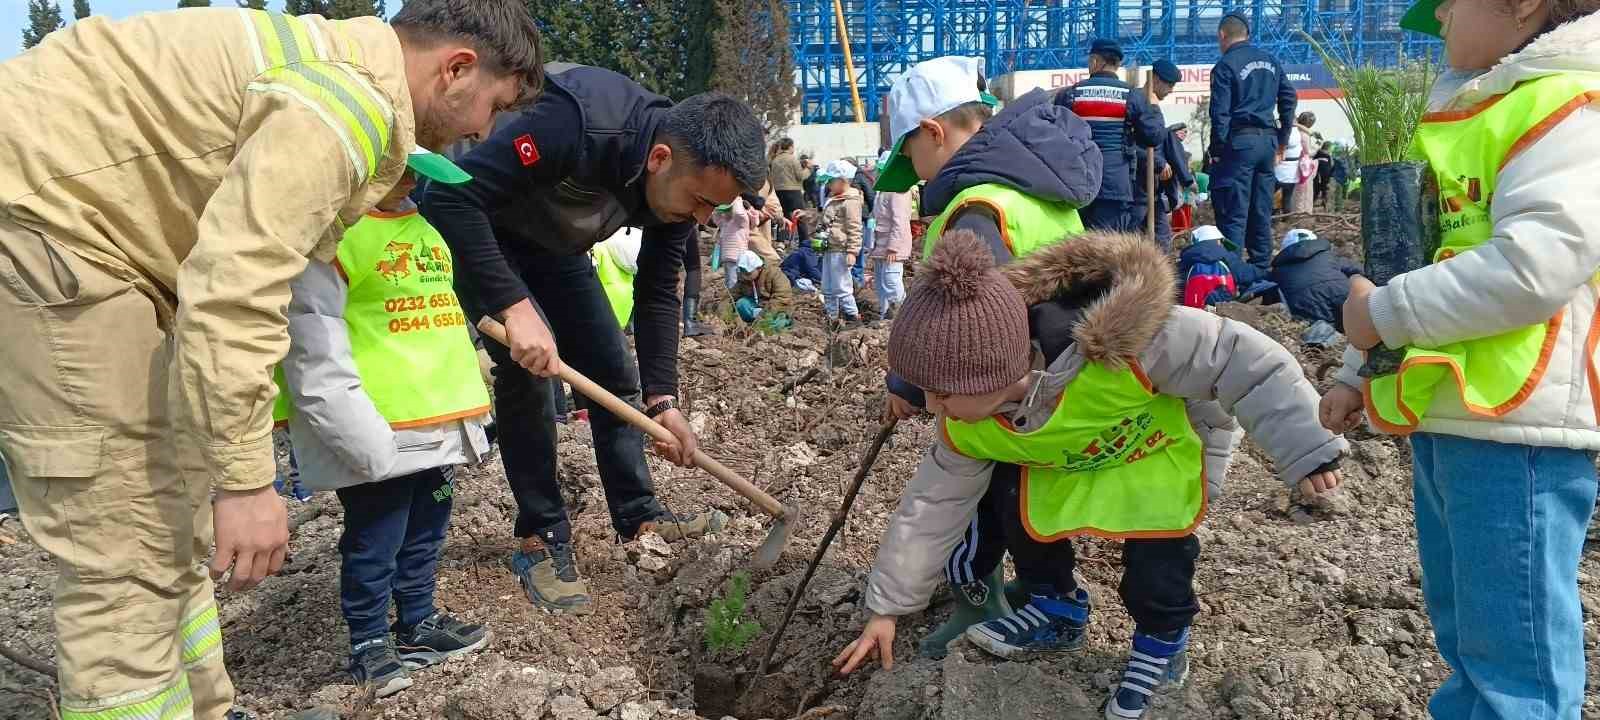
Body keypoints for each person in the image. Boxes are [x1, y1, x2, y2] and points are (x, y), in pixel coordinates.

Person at [0, 3, 539, 718]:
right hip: (50, 236)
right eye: (493, 108)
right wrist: (247, 482)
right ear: (457, 69)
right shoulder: (346, 106)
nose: (483, 133)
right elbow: (236, 293)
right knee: (125, 549)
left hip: (93, 246)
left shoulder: (328, 71)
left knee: (166, 508)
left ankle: (204, 706)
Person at [833, 230, 1345, 720]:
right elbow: (929, 509)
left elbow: (1244, 360)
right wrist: (887, 609)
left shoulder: (1127, 344)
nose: (932, 407)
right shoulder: (966, 425)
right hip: (1069, 458)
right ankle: (1057, 608)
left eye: (942, 394)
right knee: (1014, 501)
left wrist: (1308, 448)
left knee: (1158, 558)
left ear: (995, 372)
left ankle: (1163, 646)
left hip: (1152, 455)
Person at [1320, 1, 1600, 717]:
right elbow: (1421, 259)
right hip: (1458, 415)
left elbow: (1534, 267)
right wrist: (1362, 368)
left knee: (1516, 668)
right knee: (1473, 646)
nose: (1437, 12)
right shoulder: (1481, 109)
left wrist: (1379, 316)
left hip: (1520, 428)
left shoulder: (1568, 103)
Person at [422, 67, 767, 615]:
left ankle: (639, 514)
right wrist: (515, 308)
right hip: (486, 233)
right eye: (701, 201)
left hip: (556, 247)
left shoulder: (681, 182)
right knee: (531, 374)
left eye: (714, 209)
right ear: (660, 159)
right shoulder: (576, 123)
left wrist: (664, 400)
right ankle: (541, 535)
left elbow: (657, 291)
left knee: (615, 371)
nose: (703, 218)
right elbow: (448, 198)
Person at [874, 54, 1104, 655]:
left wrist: (909, 382)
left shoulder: (978, 209)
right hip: (1062, 371)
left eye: (912, 159)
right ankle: (1036, 591)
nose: (917, 176)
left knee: (993, 490)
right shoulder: (1034, 183)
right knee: (1017, 490)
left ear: (934, 131)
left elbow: (962, 326)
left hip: (1010, 388)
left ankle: (1006, 595)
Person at [275, 165, 492, 699]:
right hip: (378, 425)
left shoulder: (425, 230)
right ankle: (370, 642)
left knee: (427, 528)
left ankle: (417, 622)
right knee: (377, 539)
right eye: (401, 172)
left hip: (437, 418)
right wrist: (355, 435)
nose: (413, 182)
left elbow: (439, 316)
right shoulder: (335, 241)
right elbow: (312, 343)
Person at [1208, 13, 1298, 272]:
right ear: (1247, 35)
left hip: (1239, 143)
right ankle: (1261, 269)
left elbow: (1220, 114)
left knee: (1233, 211)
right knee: (1261, 208)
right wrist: (1281, 138)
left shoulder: (1225, 65)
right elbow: (1289, 98)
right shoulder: (1271, 61)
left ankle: (1232, 273)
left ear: (1222, 36)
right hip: (1267, 142)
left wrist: (1217, 150)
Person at [1058, 39, 1168, 232]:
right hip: (1114, 186)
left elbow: (1056, 134)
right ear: (1117, 65)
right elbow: (1153, 136)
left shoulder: (1071, 94)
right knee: (1107, 248)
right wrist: (1153, 106)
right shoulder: (1131, 95)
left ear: (1095, 62)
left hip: (1075, 183)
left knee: (1075, 246)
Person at [1266, 228, 1360, 334]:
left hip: (1306, 304)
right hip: (1342, 293)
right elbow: (1357, 269)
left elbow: (1271, 296)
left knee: (1325, 335)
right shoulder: (1329, 256)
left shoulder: (1277, 271)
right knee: (1359, 324)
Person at [1146, 60, 1196, 250]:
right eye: (1169, 85)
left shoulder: (1153, 104)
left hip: (1154, 188)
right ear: (1157, 80)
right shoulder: (1144, 103)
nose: (1171, 90)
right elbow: (1138, 141)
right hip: (1139, 185)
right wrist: (1160, 162)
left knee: (1161, 239)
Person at [816, 160, 866, 327]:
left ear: (843, 180)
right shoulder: (834, 198)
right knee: (828, 286)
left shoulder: (850, 201)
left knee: (842, 286)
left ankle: (853, 316)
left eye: (831, 181)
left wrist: (852, 252)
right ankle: (832, 317)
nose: (829, 184)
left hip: (841, 250)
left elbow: (855, 228)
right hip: (830, 248)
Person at [870, 153, 915, 320]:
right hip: (881, 243)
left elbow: (900, 221)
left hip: (892, 246)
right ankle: (885, 315)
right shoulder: (883, 190)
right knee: (881, 282)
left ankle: (902, 315)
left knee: (891, 280)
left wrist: (893, 247)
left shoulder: (898, 190)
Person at [711, 195, 761, 291]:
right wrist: (719, 205)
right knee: (730, 281)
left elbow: (738, 213)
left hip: (738, 256)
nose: (726, 212)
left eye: (729, 209)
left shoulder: (741, 221)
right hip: (727, 256)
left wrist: (736, 198)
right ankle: (731, 298)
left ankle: (734, 300)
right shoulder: (725, 221)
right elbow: (715, 217)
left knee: (734, 282)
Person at [769, 138, 807, 221]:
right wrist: (808, 170)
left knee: (784, 218)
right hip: (793, 192)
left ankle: (785, 234)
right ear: (790, 147)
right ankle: (803, 234)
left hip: (778, 191)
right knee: (800, 217)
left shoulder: (775, 160)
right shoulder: (793, 159)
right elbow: (800, 176)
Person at [1289, 113, 1319, 214]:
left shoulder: (1295, 131)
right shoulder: (1304, 135)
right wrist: (1317, 147)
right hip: (1304, 166)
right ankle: (1303, 212)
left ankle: (1296, 212)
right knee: (1304, 191)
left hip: (1296, 164)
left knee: (1297, 191)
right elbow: (1308, 152)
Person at [1273, 115, 1304, 210]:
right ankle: (1286, 219)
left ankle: (1272, 218)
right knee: (1287, 198)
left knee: (1269, 196)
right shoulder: (1299, 134)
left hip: (1279, 169)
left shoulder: (1282, 133)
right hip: (1292, 171)